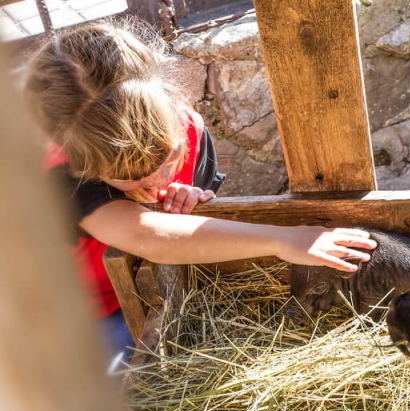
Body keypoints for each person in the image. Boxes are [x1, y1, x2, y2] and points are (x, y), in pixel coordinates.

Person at [22, 20, 376, 370]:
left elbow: (179, 219)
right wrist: (286, 240)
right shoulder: (61, 176)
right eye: (130, 176)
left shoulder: (188, 128)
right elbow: (146, 234)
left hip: (152, 289)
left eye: (168, 160)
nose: (159, 179)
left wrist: (179, 201)